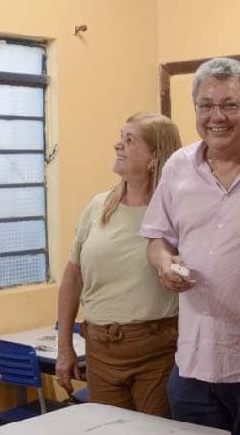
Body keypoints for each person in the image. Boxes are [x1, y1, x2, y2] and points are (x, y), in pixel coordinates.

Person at [141, 57, 240, 435]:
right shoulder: (179, 166)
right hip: (194, 359)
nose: (217, 116)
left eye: (230, 104)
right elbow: (157, 236)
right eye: (206, 106)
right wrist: (163, 261)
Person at [55, 112, 182, 415]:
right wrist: (64, 348)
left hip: (157, 351)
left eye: (129, 140)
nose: (117, 146)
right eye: (120, 137)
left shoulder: (176, 209)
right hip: (100, 349)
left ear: (155, 157)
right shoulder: (99, 206)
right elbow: (73, 278)